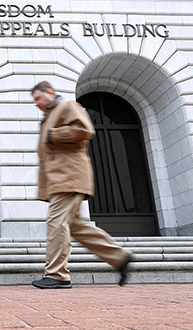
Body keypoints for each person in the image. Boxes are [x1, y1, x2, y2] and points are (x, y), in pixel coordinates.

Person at [31, 81, 131, 289]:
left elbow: (84, 129)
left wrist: (53, 135)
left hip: (69, 177)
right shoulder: (50, 115)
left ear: (50, 92)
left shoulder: (67, 106)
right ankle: (120, 257)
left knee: (56, 223)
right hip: (61, 179)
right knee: (77, 227)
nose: (36, 103)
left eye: (38, 98)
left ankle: (58, 275)